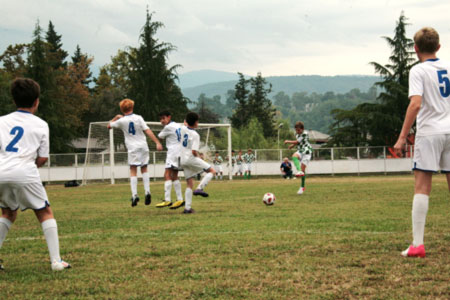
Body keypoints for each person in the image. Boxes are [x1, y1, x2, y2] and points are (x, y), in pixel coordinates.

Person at [0, 78, 70, 271]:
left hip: (1, 171)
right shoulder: (41, 124)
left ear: (14, 100)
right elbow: (43, 158)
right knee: (44, 212)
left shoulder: (1, 121)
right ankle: (56, 261)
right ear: (37, 101)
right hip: (25, 171)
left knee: (7, 212)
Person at [393, 27, 450, 258]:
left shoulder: (418, 70)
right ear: (438, 47)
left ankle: (417, 245)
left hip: (430, 133)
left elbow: (415, 104)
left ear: (415, 49)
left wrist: (402, 136)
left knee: (422, 187)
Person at [108, 99, 163, 207]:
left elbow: (108, 126)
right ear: (132, 107)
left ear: (122, 109)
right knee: (144, 168)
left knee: (133, 170)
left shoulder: (121, 121)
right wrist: (157, 142)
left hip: (132, 148)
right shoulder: (139, 118)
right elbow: (147, 130)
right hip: (143, 146)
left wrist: (116, 117)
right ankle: (147, 191)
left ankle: (134, 195)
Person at [171, 112, 216, 213]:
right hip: (190, 158)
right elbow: (193, 151)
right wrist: (199, 156)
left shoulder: (182, 129)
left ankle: (187, 208)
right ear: (195, 122)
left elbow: (184, 122)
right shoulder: (195, 135)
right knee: (212, 171)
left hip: (182, 160)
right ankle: (200, 188)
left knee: (189, 183)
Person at [155, 110, 183, 208]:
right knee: (174, 175)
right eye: (160, 119)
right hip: (180, 152)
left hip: (172, 153)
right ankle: (179, 199)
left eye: (163, 118)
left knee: (166, 175)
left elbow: (160, 137)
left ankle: (167, 200)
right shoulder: (178, 125)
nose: (162, 121)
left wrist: (159, 143)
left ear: (169, 117)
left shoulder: (168, 127)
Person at [284, 121, 312, 195]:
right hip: (300, 150)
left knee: (303, 171)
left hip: (306, 151)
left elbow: (297, 142)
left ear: (302, 129)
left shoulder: (305, 134)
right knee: (294, 156)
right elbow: (298, 142)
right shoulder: (297, 134)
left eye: (299, 130)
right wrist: (292, 146)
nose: (297, 131)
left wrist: (288, 142)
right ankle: (299, 170)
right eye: (296, 130)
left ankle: (302, 187)